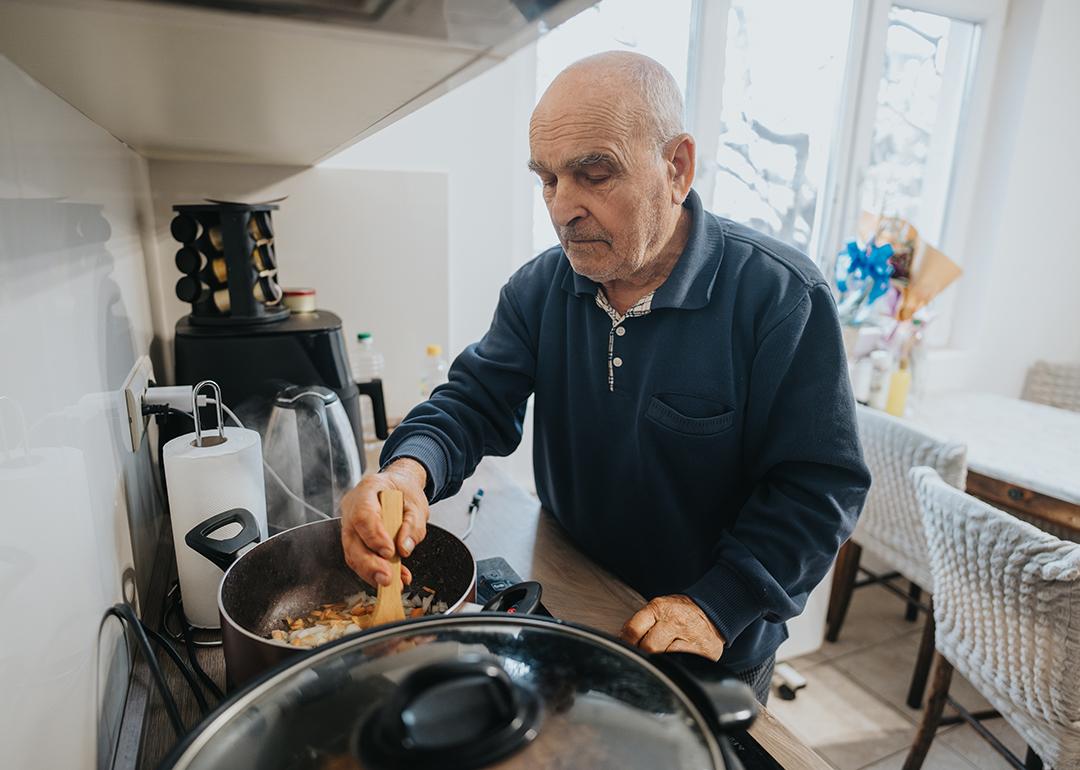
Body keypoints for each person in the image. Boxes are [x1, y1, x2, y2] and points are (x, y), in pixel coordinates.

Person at [340, 51, 870, 703]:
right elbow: (472, 401)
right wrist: (404, 473)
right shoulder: (540, 289)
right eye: (548, 179)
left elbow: (818, 487)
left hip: (712, 638)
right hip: (576, 593)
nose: (563, 208)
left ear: (677, 168)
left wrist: (716, 606)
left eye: (594, 173)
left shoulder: (780, 298)